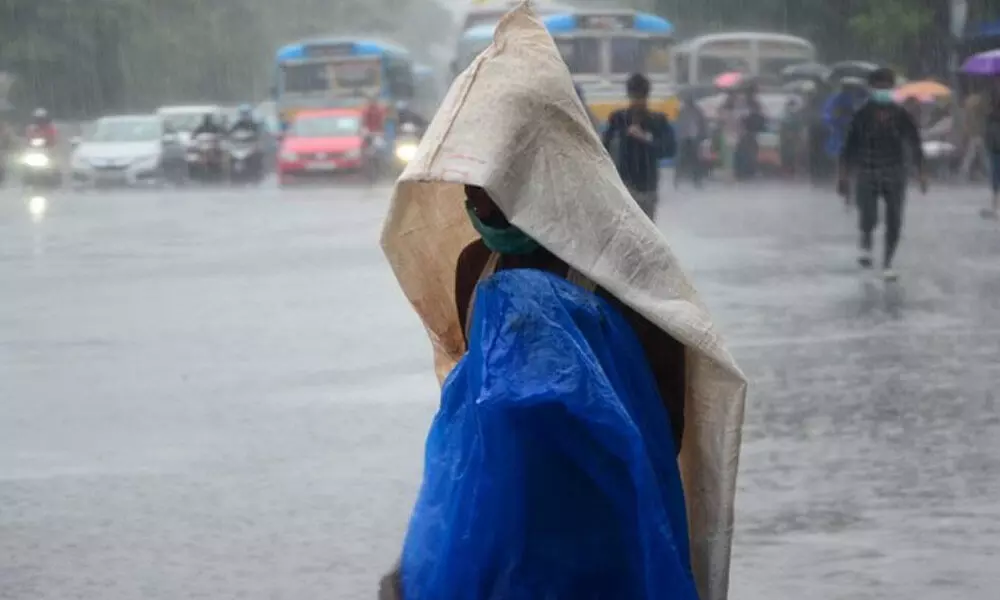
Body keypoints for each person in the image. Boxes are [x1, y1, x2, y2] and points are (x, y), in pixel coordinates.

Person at [378, 7, 746, 598]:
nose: (475, 194)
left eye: (491, 176)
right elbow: (471, 412)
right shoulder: (477, 265)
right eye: (468, 177)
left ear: (533, 167)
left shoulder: (618, 266)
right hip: (499, 536)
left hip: (604, 538)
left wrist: (580, 476)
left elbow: (666, 415)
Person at [839, 67, 926, 281]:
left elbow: (915, 143)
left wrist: (922, 172)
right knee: (868, 215)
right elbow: (849, 147)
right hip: (867, 170)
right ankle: (866, 242)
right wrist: (843, 176)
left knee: (894, 218)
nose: (884, 91)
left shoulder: (901, 115)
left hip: (895, 170)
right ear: (872, 88)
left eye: (888, 87)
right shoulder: (861, 115)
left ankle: (887, 262)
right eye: (879, 87)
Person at [601, 73, 675, 219]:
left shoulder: (657, 121)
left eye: (640, 97)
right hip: (626, 186)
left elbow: (669, 149)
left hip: (645, 187)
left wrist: (646, 138)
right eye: (635, 96)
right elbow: (604, 150)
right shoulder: (618, 119)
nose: (637, 102)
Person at [673, 91, 707, 188]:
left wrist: (702, 135)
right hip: (687, 137)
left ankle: (694, 180)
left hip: (691, 137)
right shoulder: (687, 111)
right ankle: (681, 180)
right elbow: (680, 124)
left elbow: (702, 125)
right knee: (686, 159)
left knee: (693, 159)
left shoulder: (694, 111)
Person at [983, 92, 1000, 218]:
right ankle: (995, 207)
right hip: (994, 150)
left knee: (995, 180)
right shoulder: (990, 117)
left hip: (994, 150)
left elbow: (987, 134)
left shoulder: (990, 118)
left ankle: (995, 207)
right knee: (995, 179)